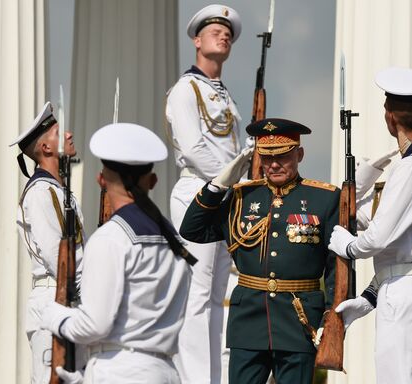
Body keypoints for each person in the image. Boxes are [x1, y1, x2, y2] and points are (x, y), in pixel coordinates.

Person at [179, 118, 339, 384]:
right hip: (249, 321)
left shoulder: (325, 198)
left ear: (299, 154)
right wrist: (217, 185)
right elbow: (192, 229)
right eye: (266, 157)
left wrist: (332, 317)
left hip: (299, 322)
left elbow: (338, 263)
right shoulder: (241, 197)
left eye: (283, 156)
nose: (273, 164)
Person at [39, 123, 194, 383]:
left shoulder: (111, 238)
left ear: (101, 179)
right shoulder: (175, 240)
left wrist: (55, 317)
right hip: (165, 371)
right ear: (153, 181)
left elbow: (95, 325)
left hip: (121, 371)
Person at [329, 67, 412, 384]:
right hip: (409, 289)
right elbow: (407, 244)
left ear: (391, 116)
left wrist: (347, 245)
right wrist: (370, 296)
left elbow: (379, 238)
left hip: (406, 294)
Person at [164, 4, 244, 383]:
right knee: (196, 296)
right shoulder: (185, 90)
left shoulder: (226, 96)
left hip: (225, 196)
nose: (223, 34)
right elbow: (194, 147)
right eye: (214, 30)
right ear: (197, 40)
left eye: (227, 31)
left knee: (217, 297)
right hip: (198, 189)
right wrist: (233, 184)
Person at [10, 102, 85, 384]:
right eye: (58, 132)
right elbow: (58, 258)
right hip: (54, 296)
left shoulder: (59, 191)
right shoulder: (42, 193)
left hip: (69, 298)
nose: (68, 135)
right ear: (46, 148)